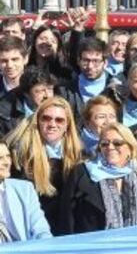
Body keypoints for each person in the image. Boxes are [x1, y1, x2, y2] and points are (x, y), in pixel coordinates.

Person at [57, 123, 137, 234]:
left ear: (130, 148)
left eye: (117, 143)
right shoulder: (82, 173)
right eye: (104, 144)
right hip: (94, 248)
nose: (110, 147)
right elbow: (67, 219)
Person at [5, 96, 83, 231]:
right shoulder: (20, 156)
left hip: (67, 231)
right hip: (31, 230)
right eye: (46, 118)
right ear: (38, 121)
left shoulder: (80, 156)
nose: (52, 124)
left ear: (67, 126)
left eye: (59, 120)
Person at [0, 141, 52, 243]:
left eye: (8, 156)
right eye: (0, 158)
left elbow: (40, 229)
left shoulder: (24, 189)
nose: (7, 162)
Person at [59, 37, 111, 120]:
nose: (90, 66)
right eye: (86, 61)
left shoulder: (115, 90)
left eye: (95, 61)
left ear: (105, 63)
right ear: (78, 61)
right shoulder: (65, 91)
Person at [0, 66, 56, 136]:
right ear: (26, 93)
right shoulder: (5, 114)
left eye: (50, 89)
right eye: (40, 91)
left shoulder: (61, 108)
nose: (47, 96)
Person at [0, 36, 27, 100]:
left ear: (25, 59)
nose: (9, 65)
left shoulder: (37, 86)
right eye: (4, 61)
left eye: (14, 59)